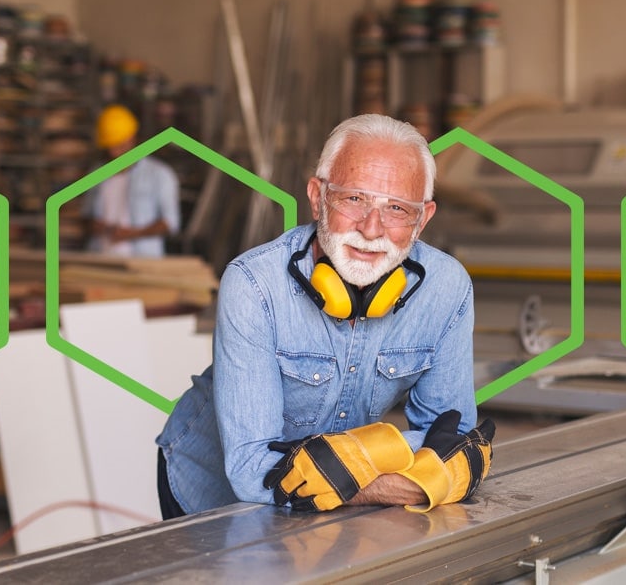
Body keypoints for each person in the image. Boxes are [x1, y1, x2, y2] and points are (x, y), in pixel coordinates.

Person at [155, 113, 494, 519]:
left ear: (422, 219)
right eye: (354, 199)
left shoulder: (446, 288)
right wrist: (410, 480)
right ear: (317, 198)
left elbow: (448, 435)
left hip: (328, 502)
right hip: (209, 490)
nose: (372, 229)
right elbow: (249, 469)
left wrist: (352, 464)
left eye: (397, 209)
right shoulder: (253, 285)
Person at [84, 105, 181, 257]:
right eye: (111, 147)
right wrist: (102, 228)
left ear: (132, 138)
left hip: (143, 263)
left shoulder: (159, 174)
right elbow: (87, 217)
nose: (115, 153)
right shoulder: (97, 172)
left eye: (120, 145)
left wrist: (131, 234)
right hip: (101, 259)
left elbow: (170, 223)